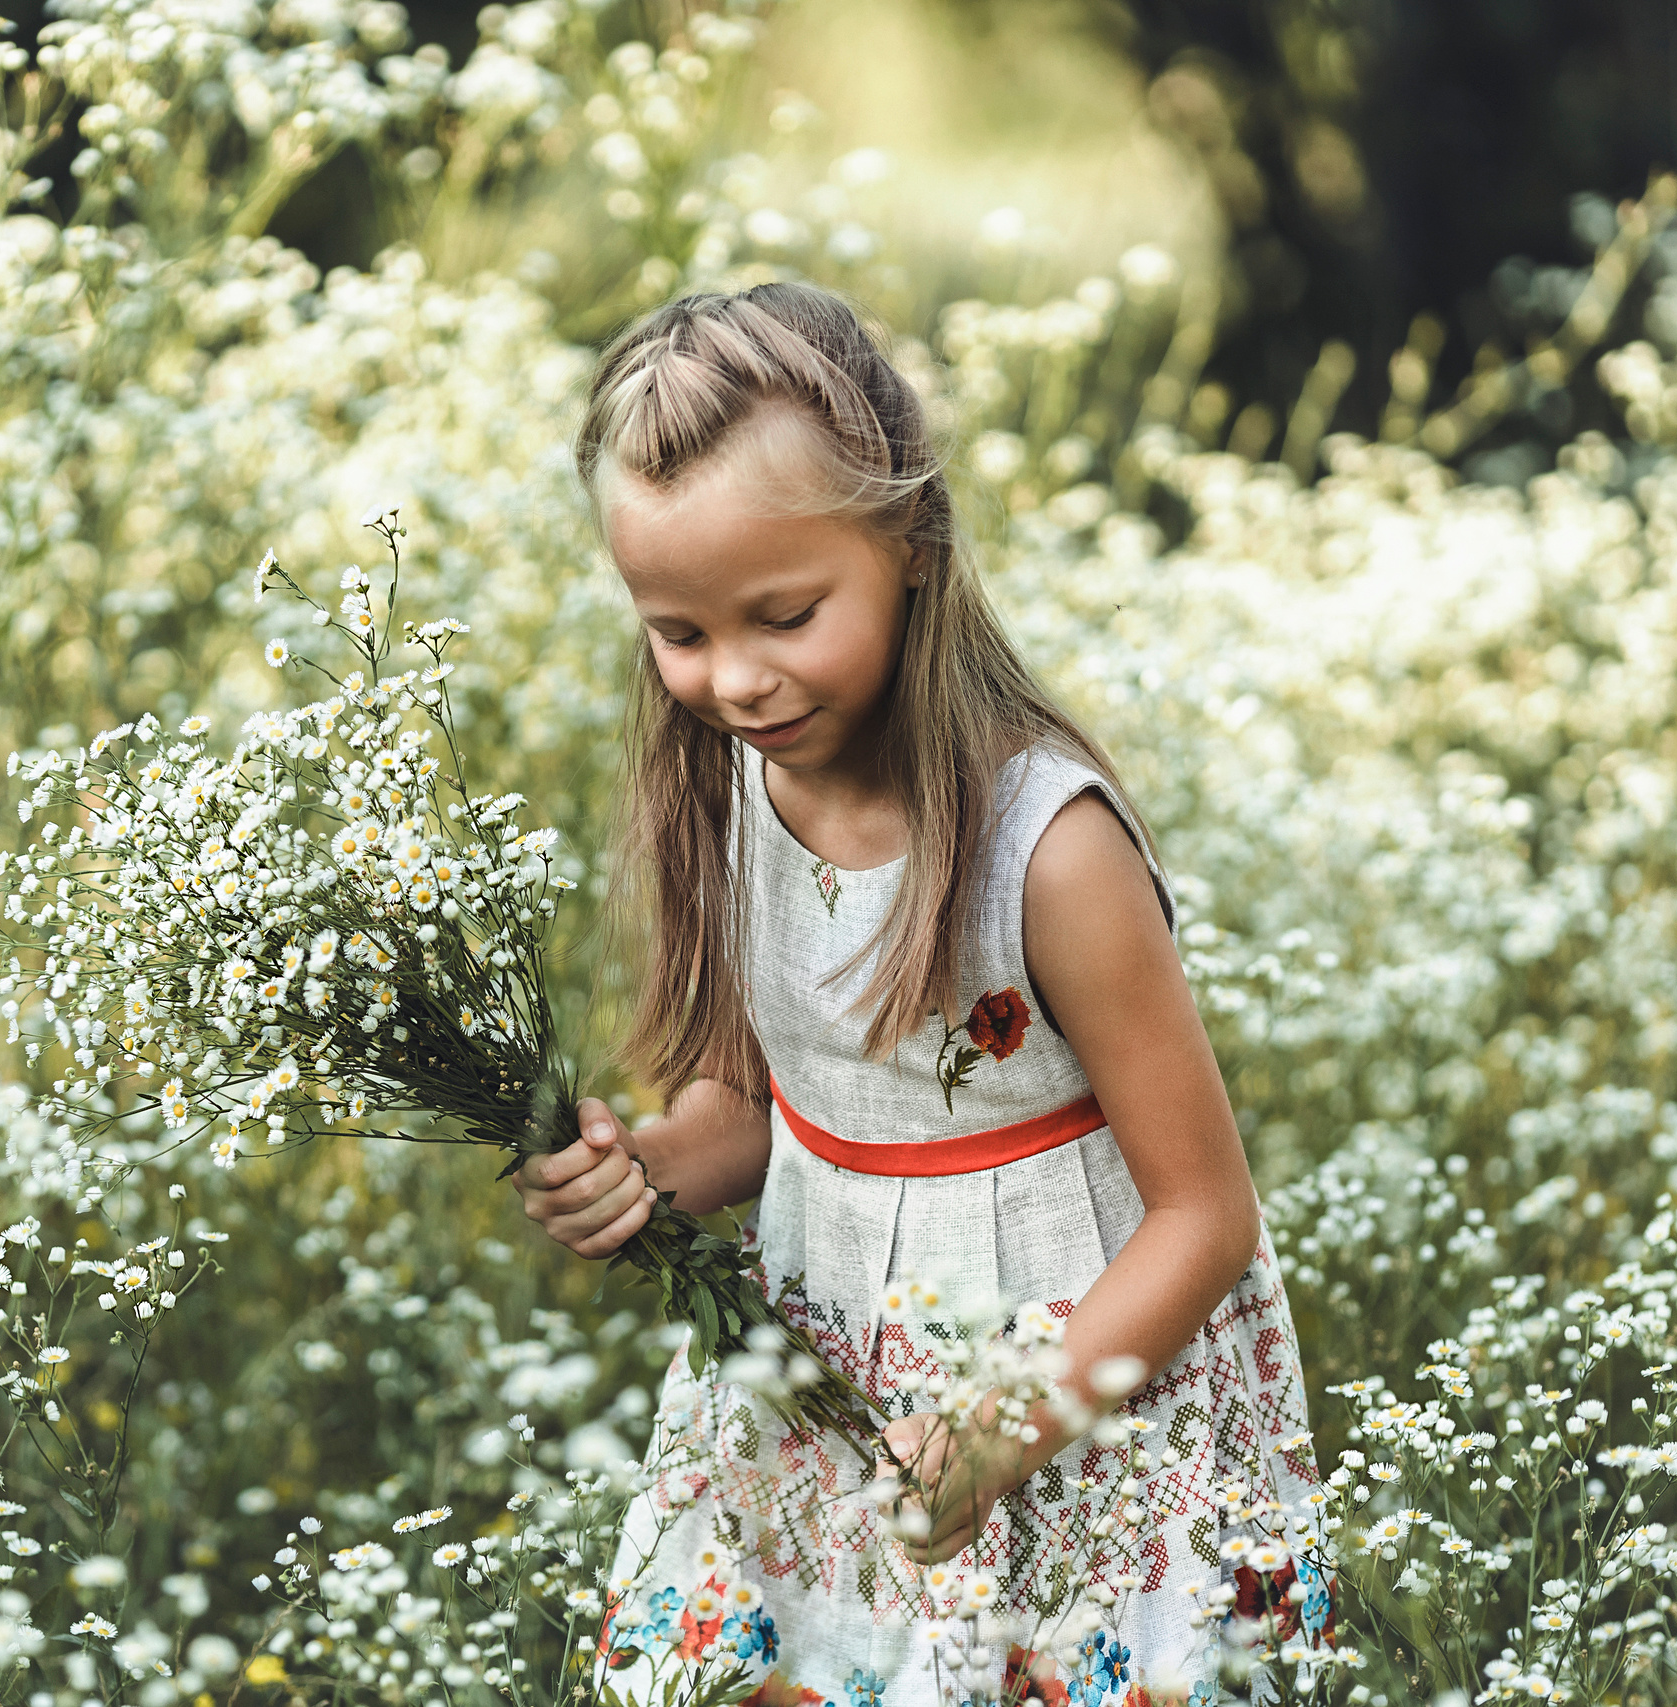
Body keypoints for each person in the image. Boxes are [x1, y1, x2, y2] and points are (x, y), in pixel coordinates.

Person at [513, 283, 1326, 1707]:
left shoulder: (1047, 851)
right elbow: (761, 1107)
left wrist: (1021, 1421)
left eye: (784, 615)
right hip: (831, 1375)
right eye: (680, 632)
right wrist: (635, 1173)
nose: (738, 680)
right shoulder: (727, 792)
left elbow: (1206, 1215)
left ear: (911, 546)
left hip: (1073, 1390)